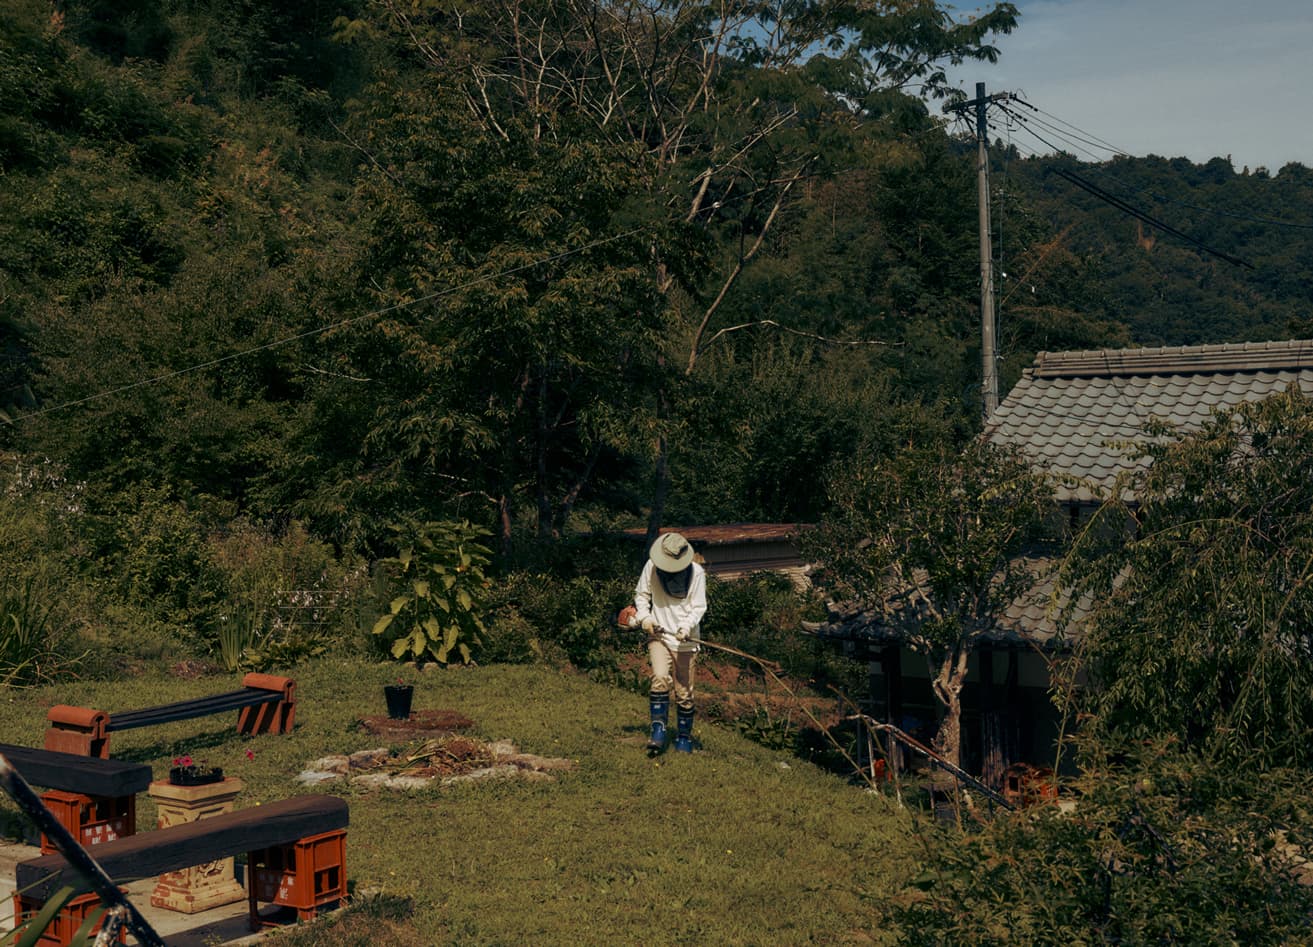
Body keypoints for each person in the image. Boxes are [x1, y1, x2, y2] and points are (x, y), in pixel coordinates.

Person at [627, 532, 706, 754]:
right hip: (659, 635)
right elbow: (641, 595)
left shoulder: (697, 573)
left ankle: (684, 737)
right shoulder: (651, 567)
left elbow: (698, 607)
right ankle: (658, 732)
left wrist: (686, 627)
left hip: (685, 641)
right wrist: (645, 618)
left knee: (684, 692)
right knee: (660, 678)